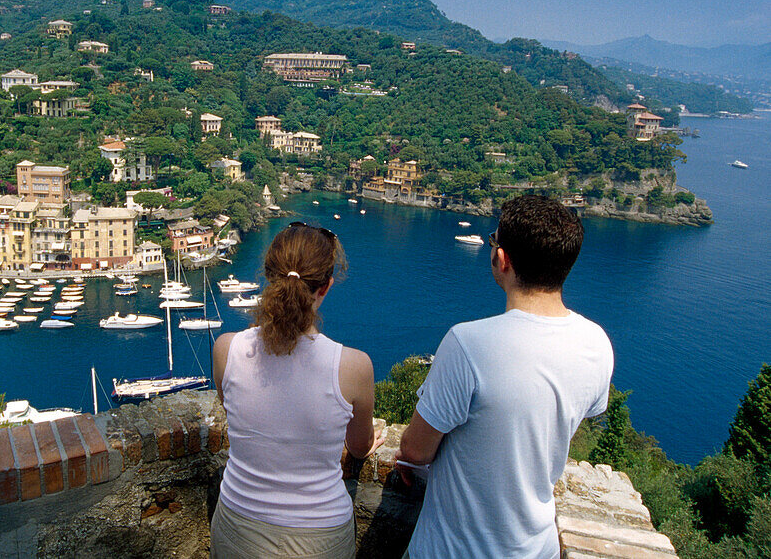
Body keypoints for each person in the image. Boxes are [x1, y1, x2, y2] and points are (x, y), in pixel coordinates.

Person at [396, 195, 613, 558]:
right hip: (535, 548)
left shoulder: (468, 343)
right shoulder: (597, 344)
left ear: (502, 259)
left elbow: (415, 450)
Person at [211, 222, 381, 558]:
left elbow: (232, 411)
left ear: (268, 276)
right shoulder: (354, 366)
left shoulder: (226, 349)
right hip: (319, 537)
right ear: (326, 287)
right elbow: (359, 447)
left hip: (237, 525)